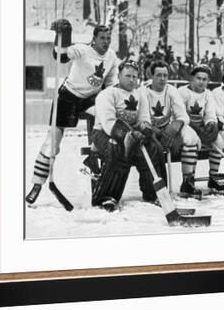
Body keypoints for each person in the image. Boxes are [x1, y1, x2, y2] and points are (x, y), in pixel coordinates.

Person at [26, 23, 118, 205]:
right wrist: (63, 34)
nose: (106, 42)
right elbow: (60, 55)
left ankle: (93, 157)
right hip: (68, 97)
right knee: (52, 143)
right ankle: (37, 185)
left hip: (91, 98)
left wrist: (110, 100)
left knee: (105, 118)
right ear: (94, 38)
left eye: (108, 38)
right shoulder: (82, 50)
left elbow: (110, 83)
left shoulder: (112, 56)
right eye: (102, 38)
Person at [91, 60, 167, 211]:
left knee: (153, 148)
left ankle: (153, 193)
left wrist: (144, 128)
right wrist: (128, 136)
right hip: (106, 133)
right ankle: (106, 197)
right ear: (119, 76)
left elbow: (144, 118)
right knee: (117, 149)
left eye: (134, 76)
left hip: (133, 134)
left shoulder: (140, 94)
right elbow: (108, 123)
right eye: (127, 76)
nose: (132, 80)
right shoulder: (107, 94)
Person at [142, 61, 200, 198]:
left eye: (165, 75)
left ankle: (187, 182)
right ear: (151, 76)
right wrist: (152, 129)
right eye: (159, 75)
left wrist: (175, 126)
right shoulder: (143, 91)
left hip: (168, 131)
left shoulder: (171, 90)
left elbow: (183, 116)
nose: (162, 79)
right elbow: (141, 118)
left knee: (191, 136)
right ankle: (154, 191)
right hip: (150, 132)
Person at [177, 66, 224, 196]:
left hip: (201, 128)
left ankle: (213, 178)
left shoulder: (208, 94)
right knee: (191, 140)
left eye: (205, 79)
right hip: (185, 126)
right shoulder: (182, 92)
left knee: (219, 141)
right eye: (198, 78)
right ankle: (188, 180)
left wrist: (211, 125)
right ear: (192, 78)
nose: (201, 82)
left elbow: (210, 114)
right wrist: (195, 127)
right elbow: (179, 114)